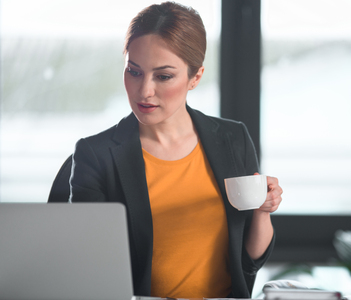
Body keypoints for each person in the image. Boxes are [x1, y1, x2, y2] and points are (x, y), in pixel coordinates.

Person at [66, 1, 282, 298]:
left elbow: (249, 260)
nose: (144, 91)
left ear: (195, 77)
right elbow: (86, 264)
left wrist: (262, 211)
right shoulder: (96, 154)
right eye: (134, 71)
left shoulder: (233, 138)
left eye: (163, 76)